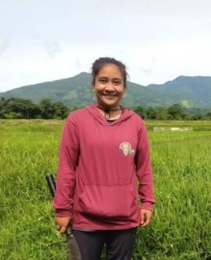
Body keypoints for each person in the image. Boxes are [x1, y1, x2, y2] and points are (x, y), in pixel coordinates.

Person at [53, 57, 155, 260]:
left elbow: (143, 168)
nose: (109, 88)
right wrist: (62, 209)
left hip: (125, 219)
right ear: (93, 84)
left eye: (116, 82)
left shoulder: (135, 123)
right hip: (85, 219)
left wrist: (147, 203)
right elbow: (67, 168)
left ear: (124, 87)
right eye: (103, 81)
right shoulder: (77, 120)